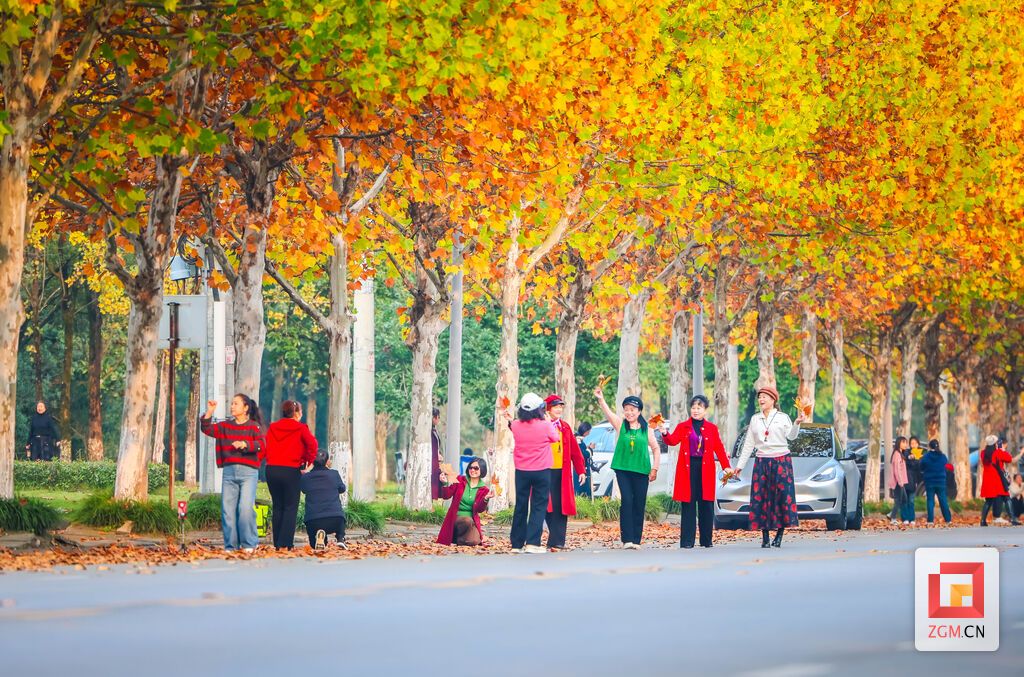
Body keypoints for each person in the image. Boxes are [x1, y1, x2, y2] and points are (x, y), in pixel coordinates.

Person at [734, 385, 807, 548]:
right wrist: (739, 466)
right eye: (760, 397)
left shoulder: (782, 417)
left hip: (781, 461)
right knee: (762, 498)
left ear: (773, 400)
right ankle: (765, 537)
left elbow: (792, 437)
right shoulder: (755, 419)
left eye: (764, 397)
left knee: (782, 498)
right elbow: (748, 445)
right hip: (762, 462)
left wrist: (797, 423)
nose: (761, 400)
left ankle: (779, 534)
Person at [660, 394, 732, 548]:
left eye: (699, 408)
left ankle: (706, 540)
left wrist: (726, 466)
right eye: (693, 407)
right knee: (688, 504)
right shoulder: (683, 426)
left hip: (705, 468)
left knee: (706, 504)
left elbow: (719, 448)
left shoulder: (712, 428)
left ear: (705, 410)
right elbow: (672, 441)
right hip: (688, 468)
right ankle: (687, 541)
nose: (696, 410)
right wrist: (664, 433)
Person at [594, 388, 660, 549]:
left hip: (642, 471)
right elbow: (608, 413)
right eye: (627, 410)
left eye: (633, 410)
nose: (629, 413)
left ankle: (636, 540)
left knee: (639, 503)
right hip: (623, 469)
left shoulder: (647, 430)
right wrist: (601, 399)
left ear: (639, 412)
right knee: (627, 501)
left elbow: (656, 449)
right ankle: (627, 539)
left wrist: (655, 469)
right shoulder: (620, 424)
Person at [200, 394, 266, 552]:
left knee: (245, 508)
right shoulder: (225, 426)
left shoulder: (254, 426)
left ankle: (250, 543)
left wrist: (245, 444)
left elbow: (261, 445)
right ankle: (231, 545)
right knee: (227, 510)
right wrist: (209, 412)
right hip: (229, 473)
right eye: (232, 403)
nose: (232, 406)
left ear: (245, 408)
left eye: (236, 404)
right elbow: (206, 428)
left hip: (249, 473)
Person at [508, 393, 559, 554]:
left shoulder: (516, 425)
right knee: (538, 506)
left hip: (522, 471)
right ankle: (532, 543)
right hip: (541, 471)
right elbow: (555, 438)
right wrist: (548, 421)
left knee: (521, 505)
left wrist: (509, 419)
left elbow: (512, 426)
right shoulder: (545, 425)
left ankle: (516, 544)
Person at [264, 400, 318, 549]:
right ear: (296, 413)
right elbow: (313, 445)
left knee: (278, 506)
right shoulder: (301, 428)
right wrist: (307, 462)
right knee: (290, 507)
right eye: (300, 412)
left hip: (272, 470)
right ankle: (285, 543)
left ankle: (277, 544)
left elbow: (266, 445)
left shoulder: (273, 427)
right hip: (290, 471)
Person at [543, 395, 587, 550]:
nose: (559, 409)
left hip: (562, 473)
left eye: (561, 407)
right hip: (544, 471)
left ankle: (558, 541)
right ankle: (554, 538)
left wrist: (581, 470)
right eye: (556, 406)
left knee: (561, 507)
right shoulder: (540, 425)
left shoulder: (565, 427)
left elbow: (575, 451)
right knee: (547, 505)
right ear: (547, 408)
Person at [437, 457, 492, 546]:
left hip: (471, 520)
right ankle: (457, 535)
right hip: (456, 516)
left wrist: (486, 498)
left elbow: (480, 509)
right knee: (466, 520)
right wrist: (444, 483)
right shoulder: (460, 480)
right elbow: (446, 495)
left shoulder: (484, 489)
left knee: (474, 542)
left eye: (476, 468)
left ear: (482, 470)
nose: (472, 470)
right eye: (470, 467)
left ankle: (458, 539)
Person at [300, 449, 347, 549]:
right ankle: (340, 538)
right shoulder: (334, 474)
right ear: (327, 461)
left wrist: (307, 471)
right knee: (340, 517)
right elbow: (342, 489)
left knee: (314, 545)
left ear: (312, 462)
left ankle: (320, 537)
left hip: (313, 521)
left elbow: (303, 490)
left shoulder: (305, 477)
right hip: (335, 520)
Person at [979, 434, 1022, 526]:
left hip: (987, 480)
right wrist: (1001, 449)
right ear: (995, 444)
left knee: (989, 500)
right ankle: (1013, 518)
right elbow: (1009, 459)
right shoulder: (998, 453)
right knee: (1007, 498)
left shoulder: (983, 453)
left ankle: (983, 521)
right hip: (998, 480)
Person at [920, 439, 952, 524]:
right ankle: (948, 519)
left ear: (930, 446)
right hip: (941, 481)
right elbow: (946, 465)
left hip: (929, 481)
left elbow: (921, 466)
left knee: (930, 500)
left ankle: (930, 520)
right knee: (943, 500)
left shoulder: (926, 456)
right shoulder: (943, 456)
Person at [888, 436, 915, 525]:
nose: (905, 444)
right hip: (898, 482)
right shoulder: (897, 454)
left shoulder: (900, 454)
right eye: (903, 442)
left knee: (903, 499)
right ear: (899, 443)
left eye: (906, 442)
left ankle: (891, 515)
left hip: (901, 481)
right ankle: (893, 518)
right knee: (900, 500)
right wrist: (900, 482)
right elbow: (897, 470)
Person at [575, 422, 594, 498]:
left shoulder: (578, 439)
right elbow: (582, 454)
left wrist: (587, 447)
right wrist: (590, 449)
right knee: (582, 492)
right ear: (586, 431)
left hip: (581, 469)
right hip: (581, 469)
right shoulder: (578, 440)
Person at [431, 408, 442, 501]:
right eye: (438, 417)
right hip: (431, 463)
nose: (438, 420)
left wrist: (438, 453)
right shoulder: (428, 431)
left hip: (436, 462)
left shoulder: (434, 430)